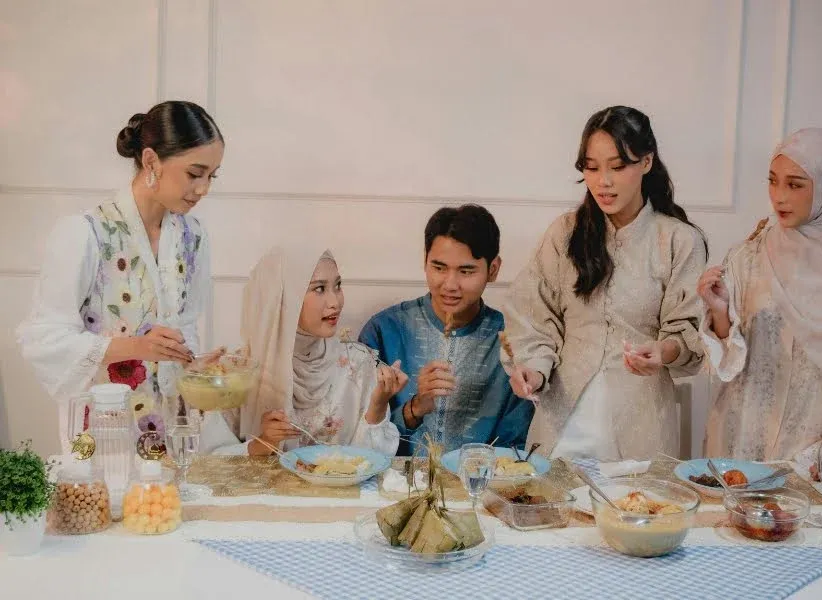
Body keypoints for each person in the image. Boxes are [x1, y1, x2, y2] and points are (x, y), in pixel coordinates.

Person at [502, 105, 707, 460]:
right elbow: (534, 314)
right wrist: (533, 371)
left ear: (646, 163)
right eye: (592, 168)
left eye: (617, 166)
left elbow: (689, 331)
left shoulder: (678, 241)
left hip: (640, 422)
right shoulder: (565, 234)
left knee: (637, 509)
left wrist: (661, 352)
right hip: (563, 419)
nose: (603, 181)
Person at [17, 101, 222, 444]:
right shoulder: (84, 234)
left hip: (172, 434)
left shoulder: (193, 237)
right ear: (151, 161)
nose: (204, 188)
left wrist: (192, 364)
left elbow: (184, 328)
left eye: (211, 176)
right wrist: (136, 346)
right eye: (194, 173)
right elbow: (45, 342)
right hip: (105, 430)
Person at [698, 127, 822, 478]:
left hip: (809, 454)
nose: (779, 197)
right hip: (736, 444)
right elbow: (725, 366)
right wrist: (718, 312)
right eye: (773, 181)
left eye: (795, 184)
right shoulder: (747, 256)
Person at [358, 205, 534, 455]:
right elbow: (359, 438)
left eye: (466, 271)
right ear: (425, 261)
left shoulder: (512, 341)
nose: (450, 285)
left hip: (482, 487)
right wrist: (414, 408)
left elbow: (515, 448)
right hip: (393, 487)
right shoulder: (384, 331)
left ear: (493, 270)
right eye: (439, 268)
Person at [202, 245, 402, 456]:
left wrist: (378, 406)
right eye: (319, 289)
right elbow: (210, 459)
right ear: (283, 298)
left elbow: (374, 462)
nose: (335, 302)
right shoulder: (238, 371)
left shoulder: (358, 365)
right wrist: (264, 443)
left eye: (338, 285)